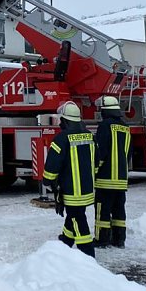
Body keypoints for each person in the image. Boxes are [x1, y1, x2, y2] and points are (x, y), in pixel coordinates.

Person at [42, 100, 96, 257]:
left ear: (64, 120)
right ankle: (65, 243)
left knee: (77, 219)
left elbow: (52, 165)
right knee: (74, 216)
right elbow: (97, 161)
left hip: (72, 191)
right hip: (87, 189)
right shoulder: (90, 136)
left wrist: (47, 181)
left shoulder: (61, 138)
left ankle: (88, 255)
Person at [93, 95, 131, 248]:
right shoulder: (125, 127)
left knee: (102, 210)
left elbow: (101, 152)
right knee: (119, 211)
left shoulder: (104, 126)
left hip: (105, 179)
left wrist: (94, 171)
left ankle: (102, 240)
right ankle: (119, 239)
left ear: (105, 111)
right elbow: (128, 153)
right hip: (121, 180)